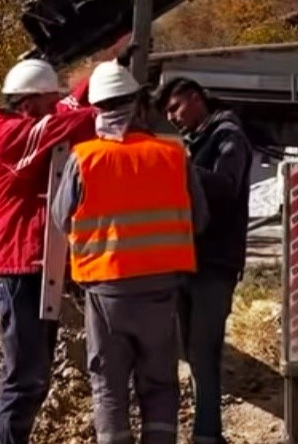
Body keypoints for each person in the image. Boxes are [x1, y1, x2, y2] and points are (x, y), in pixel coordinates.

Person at [50, 61, 209, 444]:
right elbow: (199, 220)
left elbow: (60, 220)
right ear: (140, 106)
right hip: (161, 292)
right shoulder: (171, 155)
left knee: (109, 386)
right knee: (159, 384)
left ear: (97, 110)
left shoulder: (84, 159)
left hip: (106, 294)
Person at [0, 58, 98, 444]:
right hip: (16, 266)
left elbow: (64, 110)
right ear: (28, 105)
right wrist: (112, 105)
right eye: (48, 102)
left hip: (35, 264)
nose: (55, 107)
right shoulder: (6, 135)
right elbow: (69, 122)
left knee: (35, 376)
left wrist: (104, 70)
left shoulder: (30, 121)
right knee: (23, 377)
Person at [155, 77, 254, 444]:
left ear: (197, 99)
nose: (173, 117)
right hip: (185, 259)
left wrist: (178, 169)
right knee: (191, 352)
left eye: (176, 107)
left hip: (215, 264)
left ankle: (207, 434)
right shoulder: (193, 142)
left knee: (204, 350)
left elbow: (227, 185)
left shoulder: (229, 136)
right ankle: (203, 431)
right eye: (167, 112)